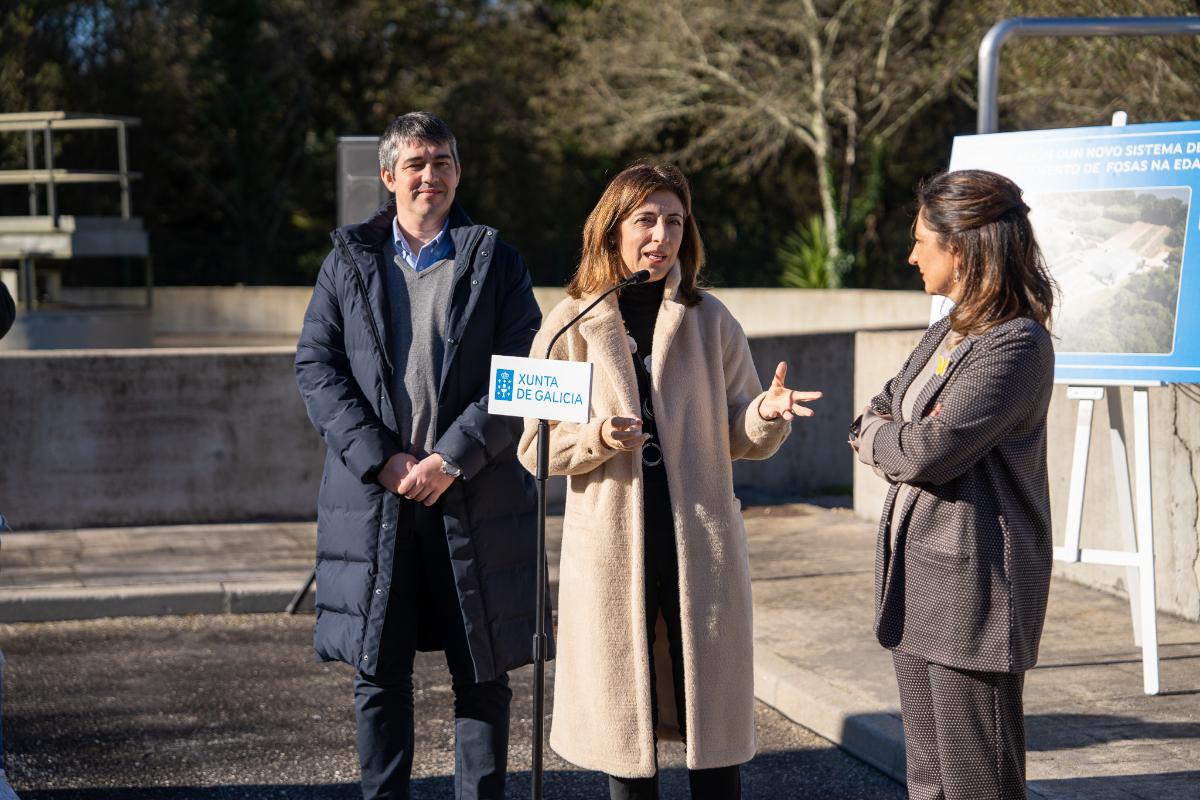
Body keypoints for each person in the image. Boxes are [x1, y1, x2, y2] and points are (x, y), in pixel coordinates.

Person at [518, 162, 821, 800]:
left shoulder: (710, 321)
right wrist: (599, 437)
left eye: (675, 221)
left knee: (711, 737)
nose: (661, 235)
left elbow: (741, 433)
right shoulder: (572, 322)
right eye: (646, 220)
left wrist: (764, 414)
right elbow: (535, 445)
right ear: (612, 230)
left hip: (699, 553)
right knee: (627, 748)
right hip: (611, 553)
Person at [295, 111, 545, 800]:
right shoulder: (347, 260)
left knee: (482, 672)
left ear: (457, 172)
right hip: (377, 497)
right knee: (379, 673)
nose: (430, 175)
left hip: (474, 491)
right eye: (416, 164)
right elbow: (316, 367)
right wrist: (386, 461)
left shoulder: (496, 259)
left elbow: (524, 366)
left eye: (442, 162)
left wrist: (451, 456)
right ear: (389, 177)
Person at [851, 169, 1057, 800]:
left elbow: (929, 453)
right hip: (919, 586)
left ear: (960, 249)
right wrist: (889, 431)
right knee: (929, 783)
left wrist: (887, 436)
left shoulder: (1016, 342)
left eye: (921, 241)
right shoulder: (950, 328)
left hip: (977, 594)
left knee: (978, 784)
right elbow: (879, 408)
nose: (911, 255)